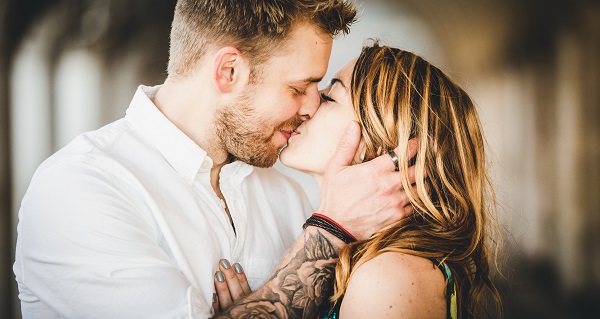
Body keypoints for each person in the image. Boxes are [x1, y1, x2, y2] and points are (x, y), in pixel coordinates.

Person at [13, 1, 417, 318]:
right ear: (228, 71)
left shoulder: (288, 193)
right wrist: (329, 232)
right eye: (299, 88)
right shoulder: (79, 189)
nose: (312, 106)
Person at [214, 43, 504, 318]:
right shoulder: (366, 261)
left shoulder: (389, 279)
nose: (309, 104)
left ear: (384, 141)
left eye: (328, 96)